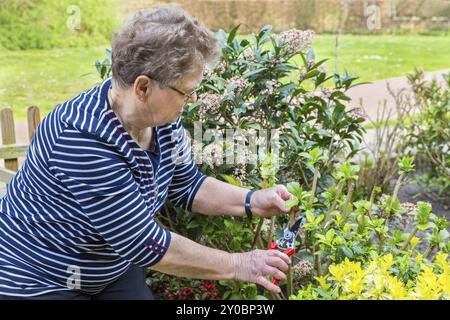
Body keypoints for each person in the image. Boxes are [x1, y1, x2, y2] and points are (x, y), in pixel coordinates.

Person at [0, 5, 293, 300]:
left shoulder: (161, 120)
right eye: (186, 91)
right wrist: (238, 263)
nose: (192, 100)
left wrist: (251, 200)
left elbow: (187, 185)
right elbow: (142, 243)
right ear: (143, 87)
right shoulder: (80, 138)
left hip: (110, 266)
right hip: (39, 278)